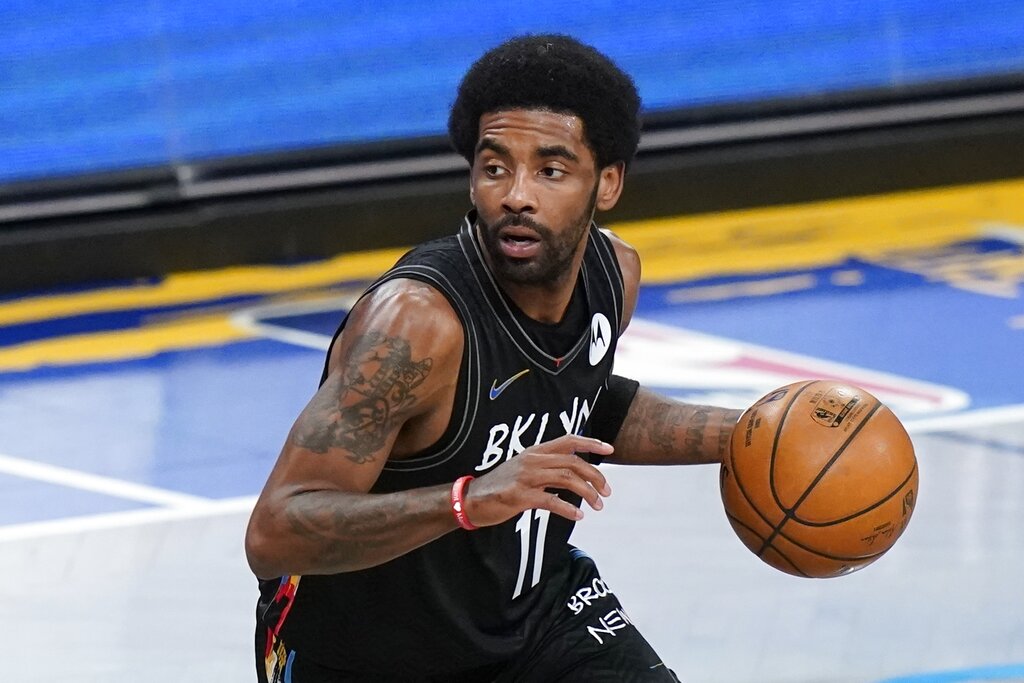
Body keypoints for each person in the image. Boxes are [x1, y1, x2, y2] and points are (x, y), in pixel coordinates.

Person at [245, 34, 742, 682]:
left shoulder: (613, 274)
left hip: (534, 618)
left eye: (551, 170)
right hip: (368, 653)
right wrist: (468, 500)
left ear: (609, 181)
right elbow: (275, 531)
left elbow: (585, 403)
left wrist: (752, 431)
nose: (516, 195)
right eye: (495, 166)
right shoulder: (416, 328)